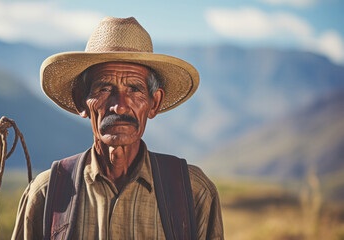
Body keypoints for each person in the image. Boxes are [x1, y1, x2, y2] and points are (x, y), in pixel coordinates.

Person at [11, 16, 224, 240]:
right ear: (80, 101)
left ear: (154, 103)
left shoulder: (193, 192)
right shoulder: (47, 194)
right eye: (104, 89)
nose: (120, 106)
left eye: (134, 89)